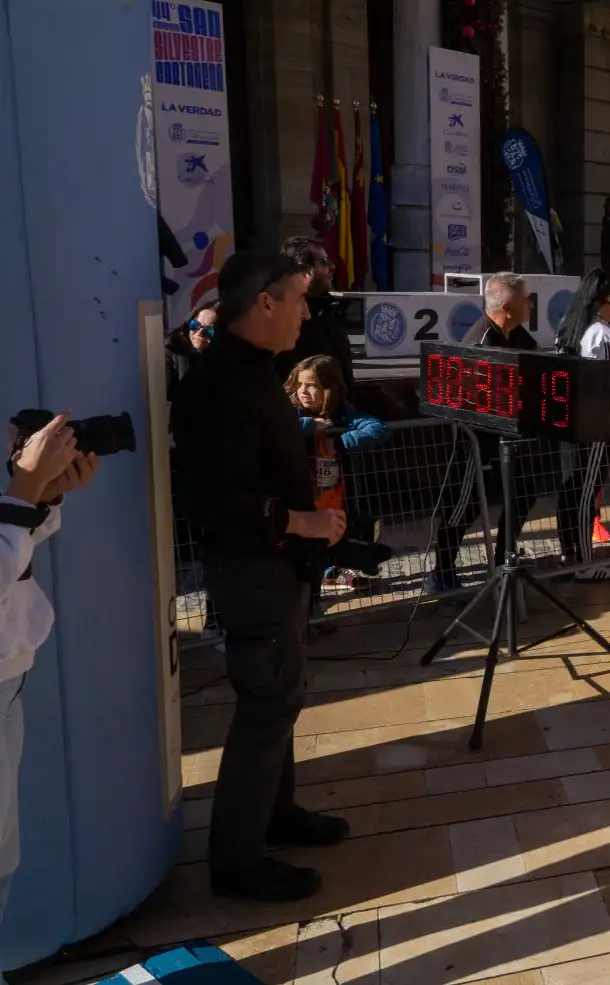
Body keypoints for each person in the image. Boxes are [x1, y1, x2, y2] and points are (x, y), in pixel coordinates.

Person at [172, 250, 350, 901]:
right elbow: (223, 496)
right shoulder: (218, 383)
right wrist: (303, 522)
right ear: (265, 302)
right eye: (298, 298)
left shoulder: (252, 370)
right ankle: (238, 859)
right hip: (253, 567)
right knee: (266, 702)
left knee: (284, 694)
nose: (307, 311)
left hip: (277, 563)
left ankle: (277, 813)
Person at [0, 416, 98, 932]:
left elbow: (13, 541)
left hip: (8, 682)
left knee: (2, 862)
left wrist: (42, 494)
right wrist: (24, 490)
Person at [433, 275, 540, 592]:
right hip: (475, 442)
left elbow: (537, 361)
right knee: (465, 506)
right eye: (525, 300)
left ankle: (505, 559)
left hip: (508, 437)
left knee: (523, 493)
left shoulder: (516, 333)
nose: (531, 305)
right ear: (507, 307)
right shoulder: (480, 341)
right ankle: (442, 571)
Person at [555, 268, 610, 580]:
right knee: (585, 492)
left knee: (572, 490)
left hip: (571, 418)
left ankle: (570, 553)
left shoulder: (569, 327)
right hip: (596, 422)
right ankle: (585, 562)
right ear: (599, 301)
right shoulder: (602, 335)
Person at [285, 355, 391, 597]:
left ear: (329, 388)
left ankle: (332, 573)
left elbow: (377, 429)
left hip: (333, 496)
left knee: (335, 538)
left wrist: (338, 442)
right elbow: (275, 425)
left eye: (311, 385)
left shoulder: (342, 411)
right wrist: (311, 426)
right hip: (297, 496)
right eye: (300, 384)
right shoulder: (288, 409)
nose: (303, 391)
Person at [276, 237, 353, 392]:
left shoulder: (330, 309)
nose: (332, 266)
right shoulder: (280, 317)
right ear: (303, 269)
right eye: (323, 262)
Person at [165, 299, 218, 393]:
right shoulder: (171, 349)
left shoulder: (227, 359)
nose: (199, 333)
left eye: (208, 330)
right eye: (195, 325)